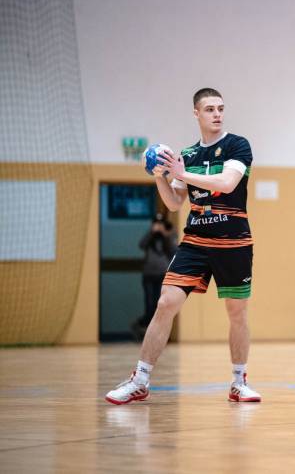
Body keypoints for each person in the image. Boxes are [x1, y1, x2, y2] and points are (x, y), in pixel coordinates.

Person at [106, 87, 261, 404]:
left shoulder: (237, 145)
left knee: (236, 313)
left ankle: (238, 382)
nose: (217, 114)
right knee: (166, 303)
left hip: (233, 242)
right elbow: (175, 202)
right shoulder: (187, 155)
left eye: (220, 108)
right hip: (195, 242)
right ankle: (140, 380)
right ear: (196, 113)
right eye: (210, 109)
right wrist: (160, 176)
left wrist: (181, 172)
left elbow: (226, 183)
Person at [132, 213, 177, 339]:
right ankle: (143, 328)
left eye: (160, 224)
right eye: (156, 223)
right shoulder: (150, 237)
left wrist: (166, 234)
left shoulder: (167, 236)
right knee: (149, 305)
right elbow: (141, 245)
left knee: (160, 305)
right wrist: (151, 232)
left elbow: (174, 250)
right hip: (148, 276)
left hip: (162, 276)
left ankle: (157, 334)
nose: (158, 226)